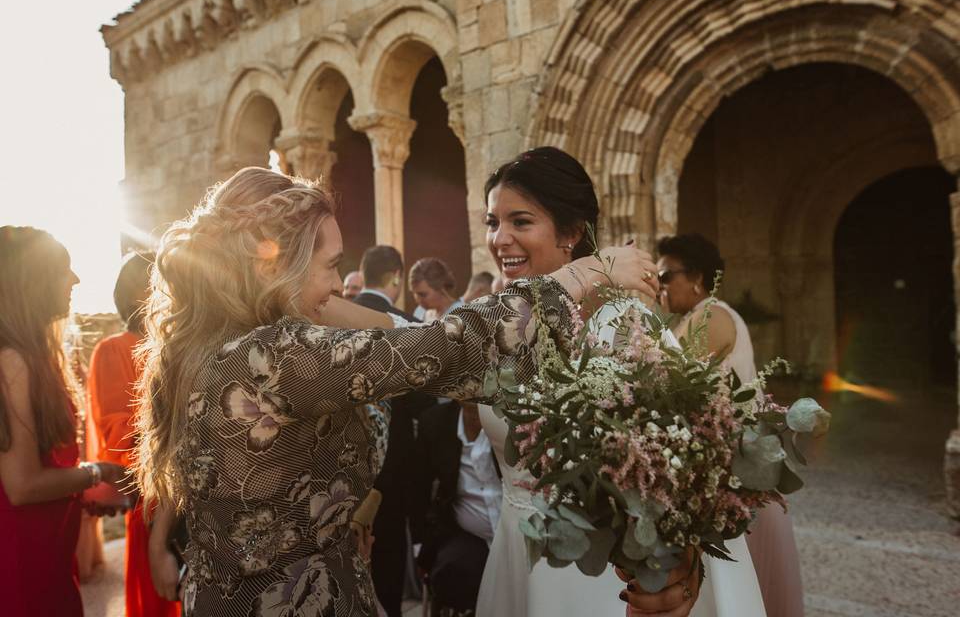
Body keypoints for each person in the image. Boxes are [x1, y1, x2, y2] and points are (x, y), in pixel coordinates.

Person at [133, 167, 657, 617]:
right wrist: (586, 272)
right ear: (275, 263)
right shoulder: (276, 356)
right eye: (332, 264)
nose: (340, 283)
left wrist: (302, 293)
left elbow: (391, 340)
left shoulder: (215, 345)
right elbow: (444, 348)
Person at [476, 148, 764, 617]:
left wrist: (677, 563)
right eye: (492, 222)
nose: (499, 238)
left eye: (520, 222)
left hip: (596, 579)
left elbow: (684, 468)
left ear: (572, 232)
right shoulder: (499, 325)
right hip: (515, 553)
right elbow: (403, 342)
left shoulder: (624, 328)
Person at [657, 233, 804, 617]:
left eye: (665, 276)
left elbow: (658, 379)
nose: (660, 286)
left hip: (733, 481)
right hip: (720, 474)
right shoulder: (696, 316)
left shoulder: (712, 316)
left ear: (697, 278)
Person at [0, 226, 126, 617]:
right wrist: (98, 472)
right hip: (20, 567)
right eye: (63, 269)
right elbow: (21, 486)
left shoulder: (33, 358)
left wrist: (79, 493)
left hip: (48, 555)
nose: (75, 279)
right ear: (32, 282)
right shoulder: (12, 362)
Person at [88, 251, 181, 617]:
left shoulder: (176, 346)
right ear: (137, 295)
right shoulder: (111, 351)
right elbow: (118, 432)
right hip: (152, 495)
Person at [354, 245, 432, 617]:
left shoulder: (336, 318)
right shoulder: (407, 326)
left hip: (343, 470)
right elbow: (425, 400)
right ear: (397, 277)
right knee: (386, 568)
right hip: (392, 472)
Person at [412, 400, 501, 616]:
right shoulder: (436, 422)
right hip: (469, 535)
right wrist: (420, 546)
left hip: (517, 532)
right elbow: (418, 488)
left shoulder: (513, 418)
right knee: (451, 573)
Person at [409, 258, 463, 324]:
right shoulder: (420, 312)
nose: (418, 300)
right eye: (415, 294)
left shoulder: (461, 314)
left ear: (440, 288)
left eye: (423, 295)